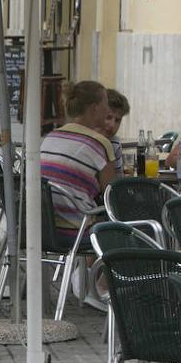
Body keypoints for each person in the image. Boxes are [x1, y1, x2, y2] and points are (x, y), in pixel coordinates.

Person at [40, 81, 115, 248]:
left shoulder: (51, 137)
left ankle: (83, 273)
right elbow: (112, 196)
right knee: (141, 230)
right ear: (94, 107)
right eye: (106, 104)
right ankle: (89, 273)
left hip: (44, 230)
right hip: (78, 231)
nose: (108, 110)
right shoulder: (100, 144)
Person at [104, 89, 130, 176]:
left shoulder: (115, 144)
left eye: (117, 120)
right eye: (108, 117)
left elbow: (117, 181)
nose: (112, 125)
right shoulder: (84, 141)